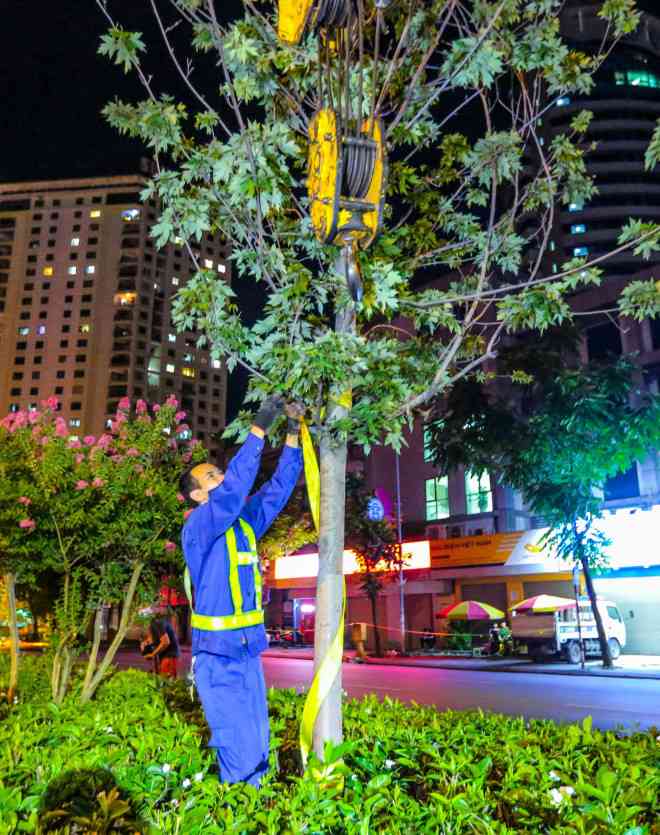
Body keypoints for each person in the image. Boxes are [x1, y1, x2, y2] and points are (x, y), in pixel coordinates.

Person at [180, 396, 303, 787]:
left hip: (248, 651)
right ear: (198, 496)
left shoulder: (242, 524)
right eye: (211, 477)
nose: (221, 477)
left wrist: (293, 432)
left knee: (257, 742)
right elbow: (234, 491)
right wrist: (258, 429)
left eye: (219, 471)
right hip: (217, 657)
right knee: (238, 747)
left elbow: (277, 491)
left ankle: (253, 808)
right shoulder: (200, 525)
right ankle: (238, 810)